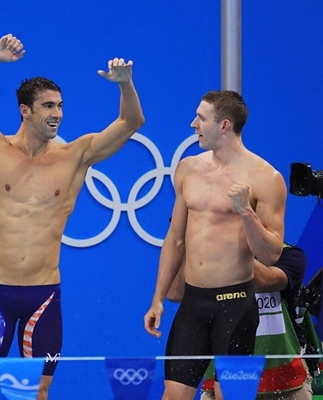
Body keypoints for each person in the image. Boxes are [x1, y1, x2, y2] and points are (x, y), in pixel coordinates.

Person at [0, 33, 144, 399]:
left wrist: (126, 84)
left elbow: (131, 121)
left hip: (45, 294)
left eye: (59, 105)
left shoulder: (75, 155)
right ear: (25, 110)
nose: (57, 113)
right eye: (47, 106)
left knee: (38, 393)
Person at [143, 90, 287, 400]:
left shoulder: (266, 178)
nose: (193, 124)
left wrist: (245, 212)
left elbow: (271, 254)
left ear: (224, 125)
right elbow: (175, 239)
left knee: (231, 397)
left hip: (235, 305)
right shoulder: (188, 169)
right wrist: (158, 298)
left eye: (201, 118)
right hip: (193, 305)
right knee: (173, 396)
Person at [168, 244, 312, 399]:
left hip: (285, 385)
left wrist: (223, 244)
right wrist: (186, 244)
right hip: (222, 384)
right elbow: (175, 293)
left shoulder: (288, 254)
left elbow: (266, 280)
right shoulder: (202, 257)